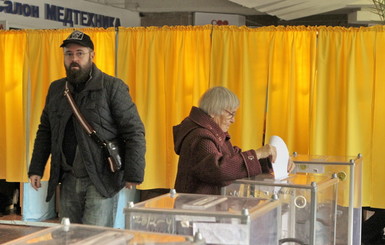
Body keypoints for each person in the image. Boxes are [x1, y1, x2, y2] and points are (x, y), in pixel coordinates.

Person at [28, 30, 146, 227]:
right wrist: (36, 169)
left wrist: (133, 173)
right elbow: (45, 130)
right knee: (69, 237)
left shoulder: (112, 87)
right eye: (69, 54)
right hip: (67, 178)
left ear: (92, 55)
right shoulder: (57, 89)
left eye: (80, 53)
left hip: (101, 179)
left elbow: (134, 132)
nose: (74, 59)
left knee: (95, 238)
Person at [173, 86, 289, 195]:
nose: (233, 120)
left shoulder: (213, 133)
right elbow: (219, 169)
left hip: (207, 208)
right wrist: (257, 153)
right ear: (214, 112)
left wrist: (274, 162)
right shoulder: (200, 137)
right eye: (231, 114)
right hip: (195, 211)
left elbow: (233, 158)